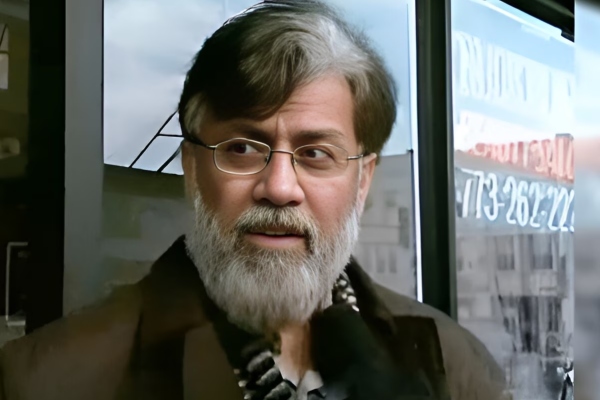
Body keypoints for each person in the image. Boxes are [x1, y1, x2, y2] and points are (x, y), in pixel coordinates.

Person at [0, 1, 507, 399]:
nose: (280, 188)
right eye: (242, 148)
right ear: (192, 167)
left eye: (316, 154)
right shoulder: (52, 383)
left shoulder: (453, 366)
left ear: (363, 180)